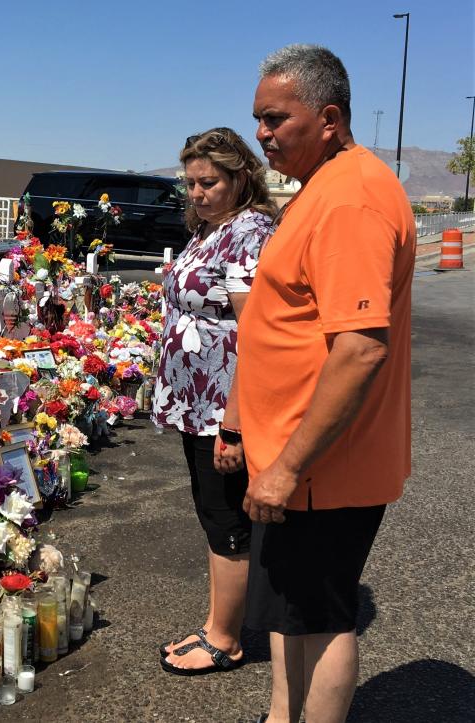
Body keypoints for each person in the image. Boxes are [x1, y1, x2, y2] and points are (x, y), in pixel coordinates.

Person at [238, 45, 415, 723]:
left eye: (276, 118)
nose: (262, 133)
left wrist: (287, 465)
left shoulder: (350, 198)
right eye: (258, 119)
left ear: (330, 117)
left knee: (323, 615)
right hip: (298, 460)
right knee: (295, 612)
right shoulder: (326, 188)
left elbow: (360, 348)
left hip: (319, 467)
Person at [152, 127, 275, 675]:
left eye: (208, 182)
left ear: (239, 177)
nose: (196, 193)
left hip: (221, 405)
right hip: (195, 403)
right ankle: (215, 624)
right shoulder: (212, 230)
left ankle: (225, 638)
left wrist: (235, 424)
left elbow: (255, 332)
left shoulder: (248, 233)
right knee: (212, 511)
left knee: (226, 518)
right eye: (191, 184)